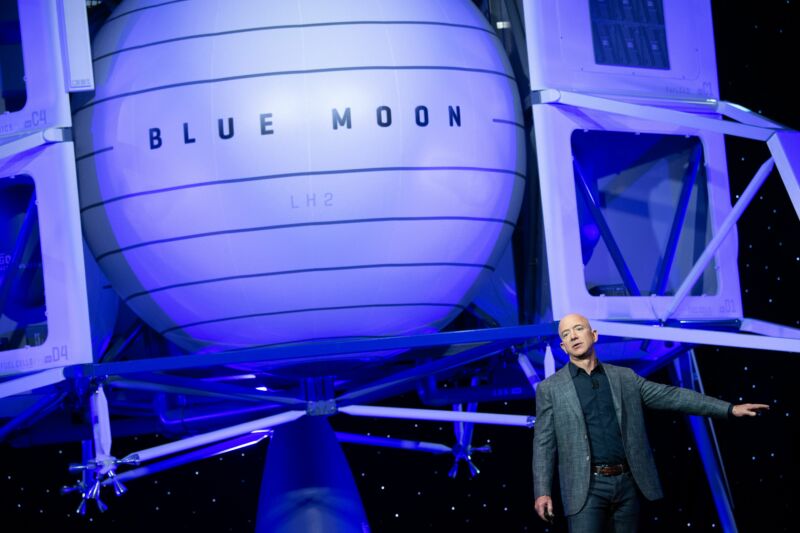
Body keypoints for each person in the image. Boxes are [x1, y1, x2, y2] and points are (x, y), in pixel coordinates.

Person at [532, 313, 768, 532]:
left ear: (593, 335)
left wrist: (729, 408)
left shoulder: (624, 378)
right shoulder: (551, 389)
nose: (573, 336)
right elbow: (543, 443)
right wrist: (542, 492)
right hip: (586, 488)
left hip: (628, 484)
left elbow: (673, 397)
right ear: (563, 346)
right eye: (565, 334)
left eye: (578, 328)